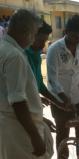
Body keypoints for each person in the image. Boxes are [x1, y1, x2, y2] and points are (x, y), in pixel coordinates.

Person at [0, 9, 53, 159]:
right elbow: (17, 102)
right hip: (18, 131)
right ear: (26, 31)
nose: (34, 39)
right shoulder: (14, 56)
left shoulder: (4, 48)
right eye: (35, 33)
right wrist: (35, 136)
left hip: (9, 127)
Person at [47, 14, 79, 158]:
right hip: (59, 101)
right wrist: (64, 100)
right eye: (75, 36)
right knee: (63, 134)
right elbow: (52, 79)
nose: (78, 40)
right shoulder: (54, 49)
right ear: (67, 32)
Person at [24, 20, 67, 110]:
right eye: (41, 41)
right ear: (31, 36)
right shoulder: (22, 55)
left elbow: (39, 85)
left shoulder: (36, 55)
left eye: (45, 41)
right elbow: (19, 93)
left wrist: (58, 103)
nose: (43, 45)